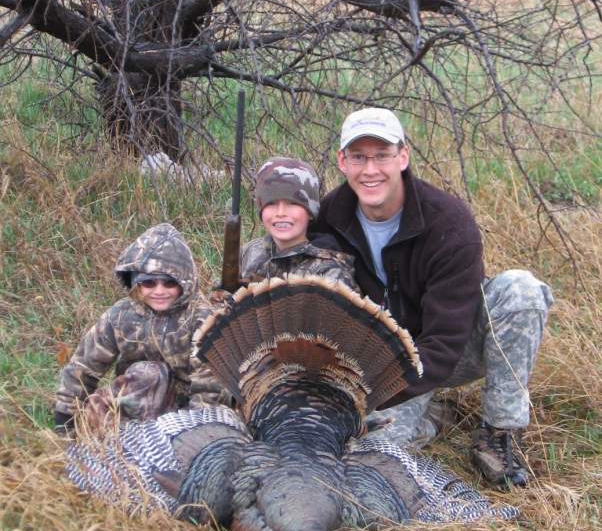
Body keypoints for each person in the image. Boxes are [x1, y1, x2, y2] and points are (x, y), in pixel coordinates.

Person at [313, 107, 554, 488]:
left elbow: (444, 342)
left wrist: (380, 393)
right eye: (358, 157)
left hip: (445, 350)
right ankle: (433, 414)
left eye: (382, 156)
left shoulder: (448, 220)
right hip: (376, 360)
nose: (370, 169)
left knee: (520, 291)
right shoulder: (330, 215)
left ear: (403, 157)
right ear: (342, 161)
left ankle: (500, 433)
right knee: (370, 452)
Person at [54, 222, 218, 435]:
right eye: (149, 282)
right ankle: (121, 440)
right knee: (139, 380)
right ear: (136, 283)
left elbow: (209, 387)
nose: (159, 290)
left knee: (152, 375)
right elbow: (83, 367)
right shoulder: (121, 315)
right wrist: (65, 422)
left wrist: (197, 435)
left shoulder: (203, 318)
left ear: (186, 283)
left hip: (186, 415)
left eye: (169, 282)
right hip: (134, 404)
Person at [240, 156, 357, 289]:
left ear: (311, 212)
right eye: (271, 203)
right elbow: (219, 303)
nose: (280, 212)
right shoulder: (248, 252)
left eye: (293, 203)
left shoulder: (330, 272)